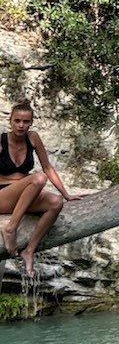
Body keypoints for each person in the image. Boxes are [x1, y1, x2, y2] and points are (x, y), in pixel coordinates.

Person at [0, 100, 77, 278]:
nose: (21, 125)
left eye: (26, 121)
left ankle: (29, 251)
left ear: (31, 122)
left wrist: (66, 194)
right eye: (17, 120)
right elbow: (42, 175)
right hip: (2, 195)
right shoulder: (2, 140)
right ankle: (11, 227)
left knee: (56, 203)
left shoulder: (33, 138)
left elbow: (48, 168)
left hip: (23, 196)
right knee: (38, 178)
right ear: (10, 121)